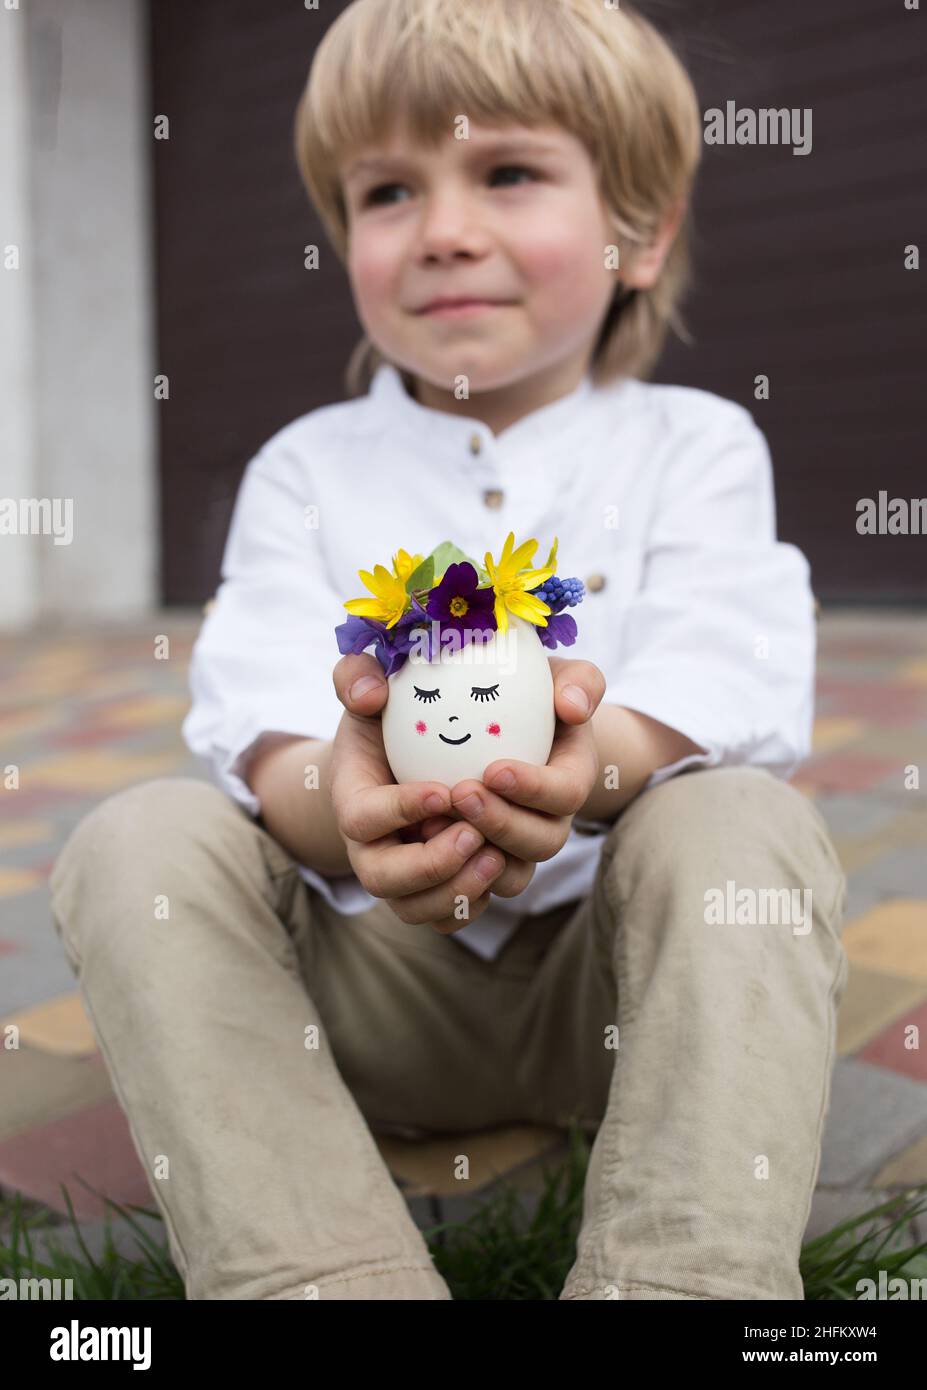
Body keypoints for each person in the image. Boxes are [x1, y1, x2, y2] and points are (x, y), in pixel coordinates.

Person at [49, 0, 848, 1300]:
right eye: (388, 192)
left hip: (623, 995)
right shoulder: (304, 472)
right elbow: (258, 722)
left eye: (510, 172)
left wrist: (594, 764)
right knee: (136, 841)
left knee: (745, 820)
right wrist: (346, 804)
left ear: (637, 234)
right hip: (361, 998)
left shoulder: (695, 448)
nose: (446, 230)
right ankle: (322, 1271)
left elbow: (728, 670)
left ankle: (685, 1276)